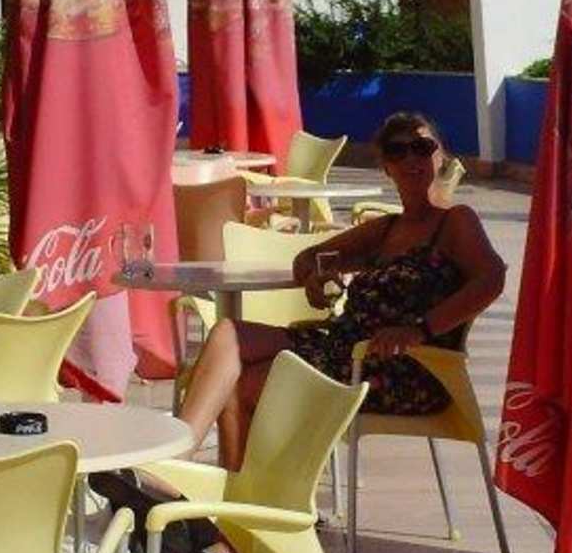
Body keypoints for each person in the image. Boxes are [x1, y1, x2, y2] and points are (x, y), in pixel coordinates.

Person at [179, 110, 507, 472]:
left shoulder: (455, 222)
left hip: (403, 367)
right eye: (397, 151)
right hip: (343, 351)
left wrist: (420, 330)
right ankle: (186, 466)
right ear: (386, 166)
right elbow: (307, 259)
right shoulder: (387, 229)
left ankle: (202, 483)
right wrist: (317, 277)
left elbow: (491, 279)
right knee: (228, 334)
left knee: (242, 384)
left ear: (440, 155)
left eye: (422, 147)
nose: (411, 158)